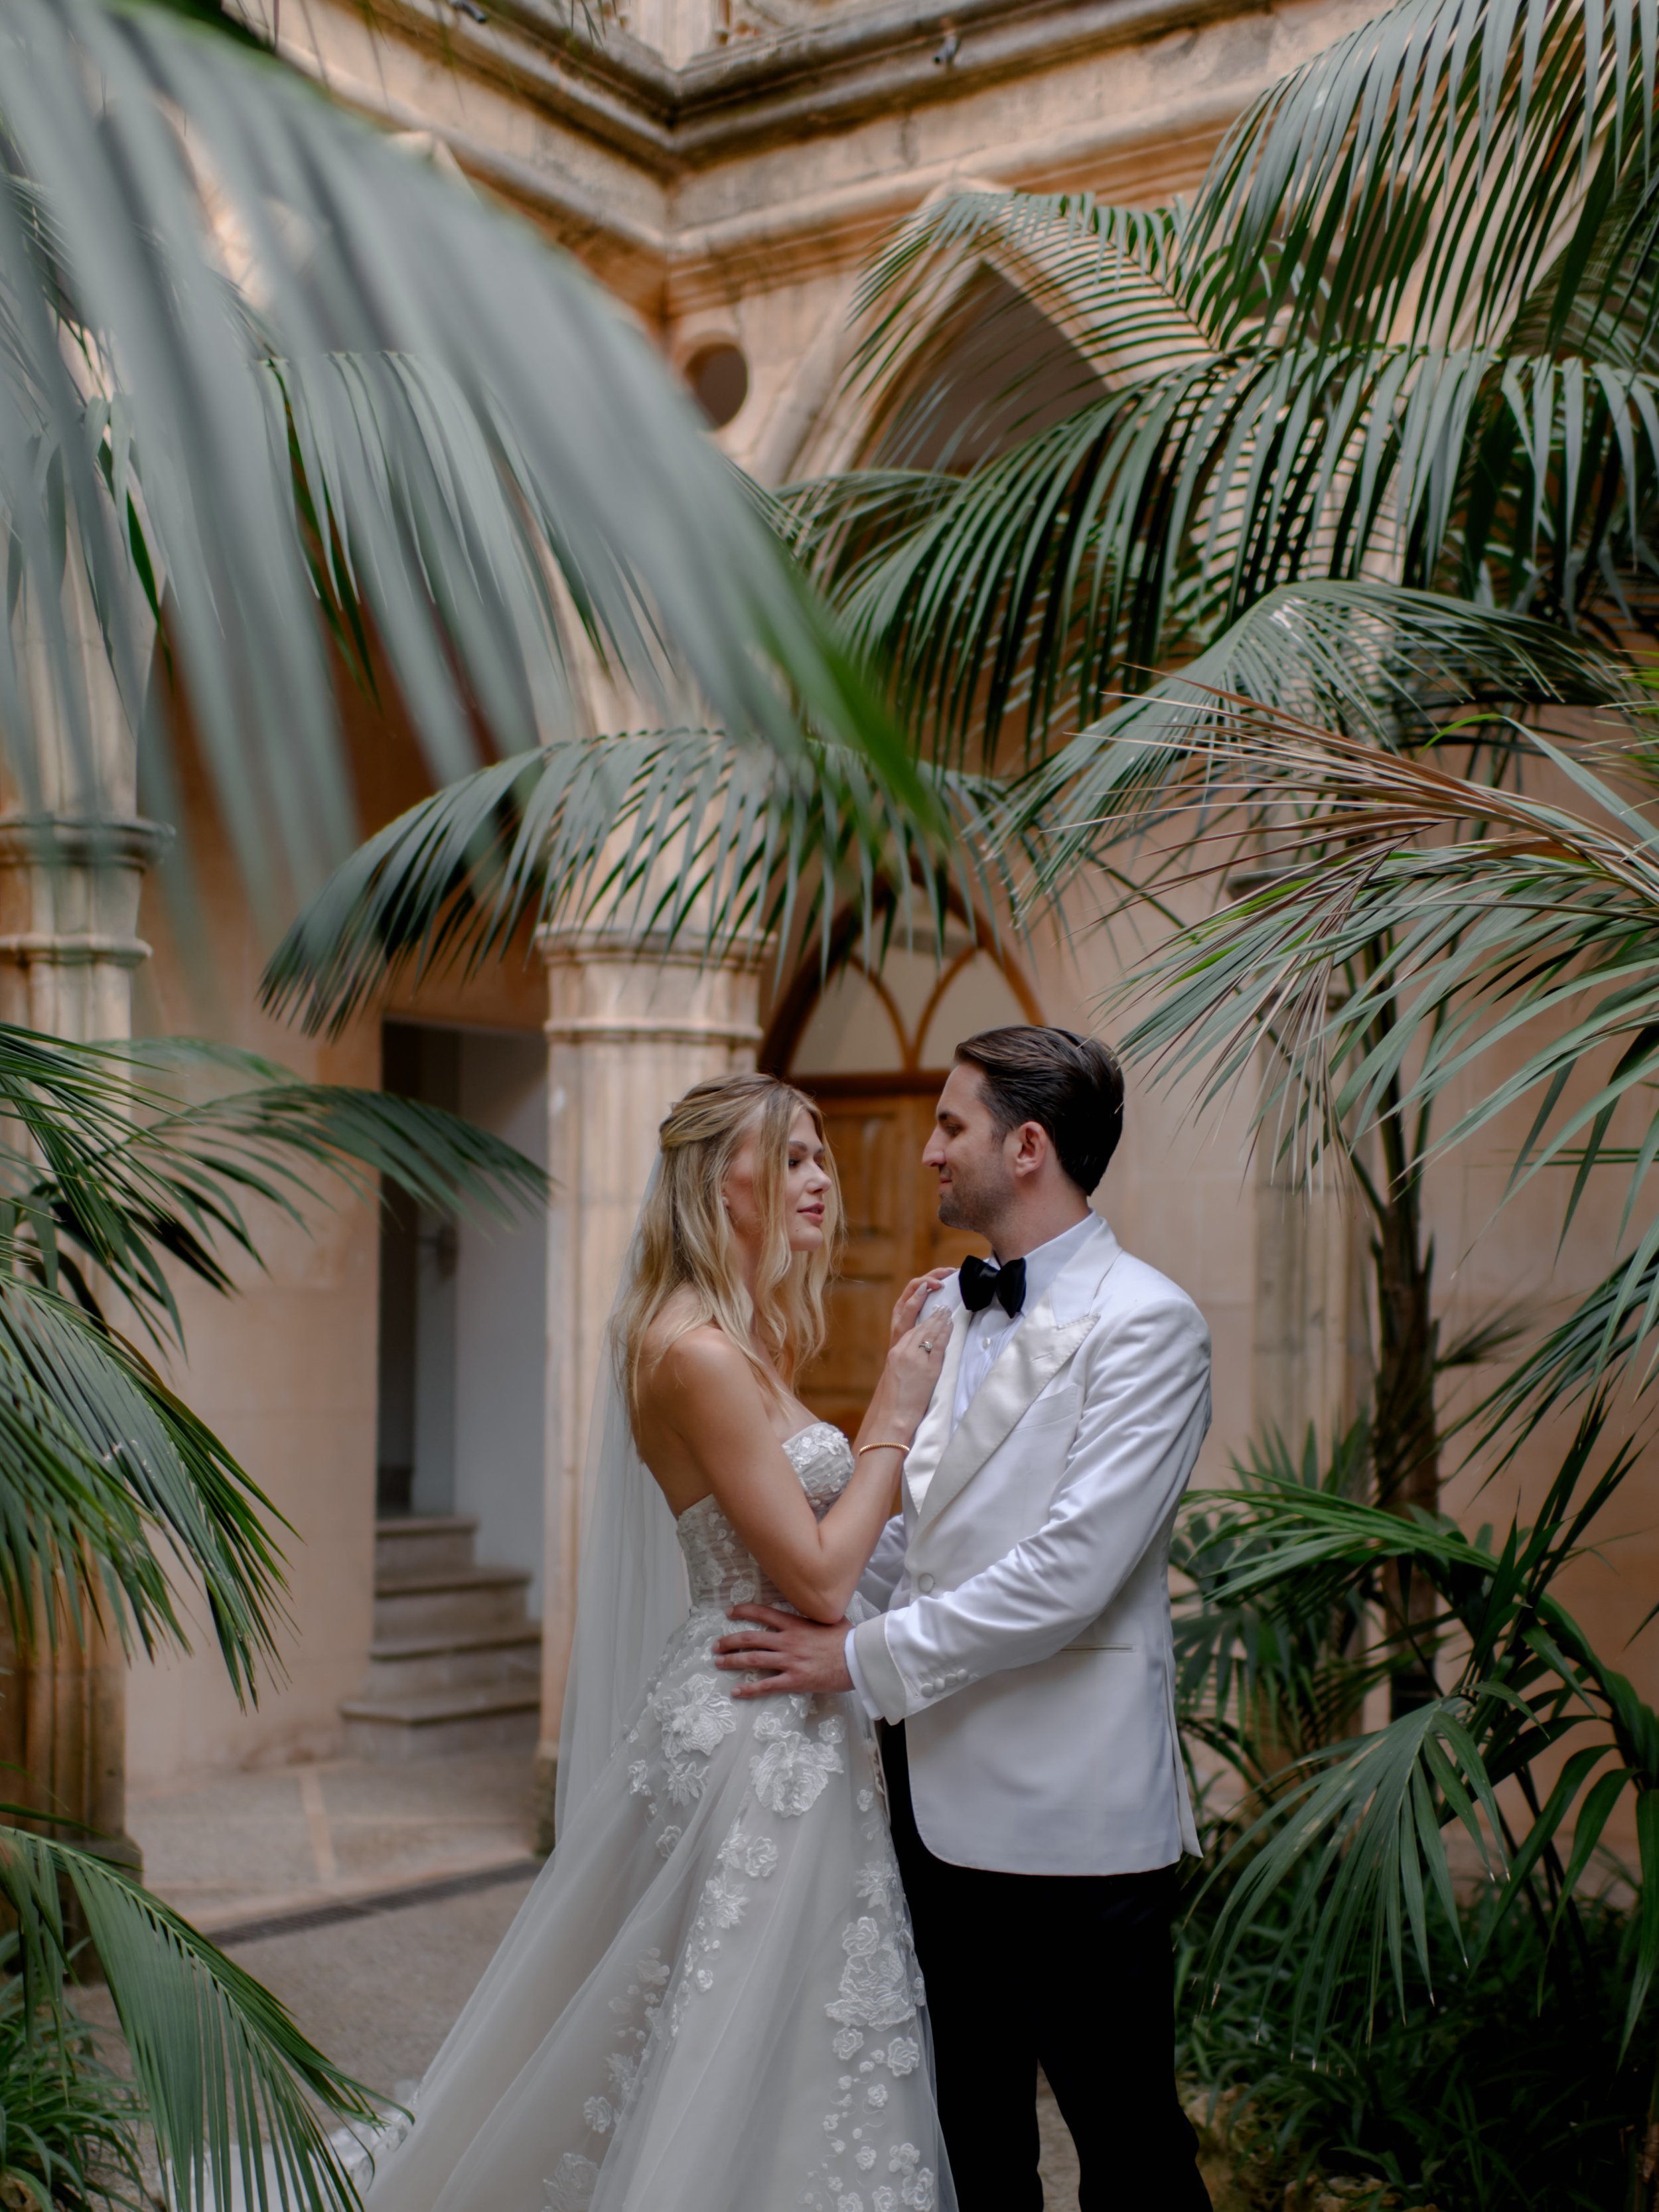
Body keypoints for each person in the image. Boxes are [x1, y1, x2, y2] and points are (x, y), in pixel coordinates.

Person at [362, 1072, 955, 2212]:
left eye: (822, 1153)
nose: (820, 1176)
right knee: (734, 2018)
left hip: (788, 1707)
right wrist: (893, 1410)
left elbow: (812, 1526)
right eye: (789, 1158)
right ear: (709, 1180)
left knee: (784, 2015)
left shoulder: (741, 1338)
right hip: (755, 1728)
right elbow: (823, 1576)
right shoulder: (695, 1351)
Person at [714, 1025, 1214, 2212]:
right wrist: (822, 1604)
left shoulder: (1150, 1322)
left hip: (1073, 1827)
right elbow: (916, 1531)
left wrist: (855, 1656)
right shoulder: (946, 1308)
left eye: (951, 1126)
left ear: (1027, 1146)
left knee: (1131, 2147)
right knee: (970, 2145)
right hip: (927, 1808)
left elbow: (1066, 1574)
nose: (928, 1152)